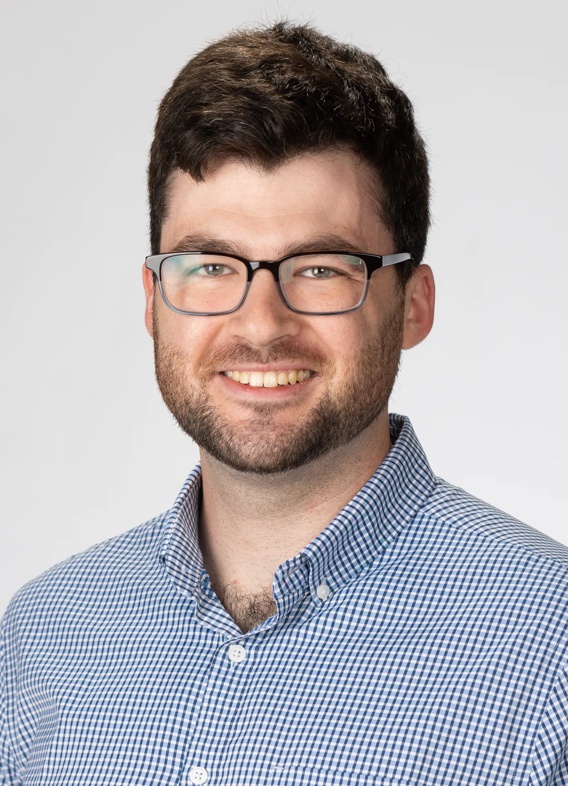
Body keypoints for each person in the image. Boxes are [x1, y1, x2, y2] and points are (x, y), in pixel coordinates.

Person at [1, 20, 567, 786]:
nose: (261, 325)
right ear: (152, 300)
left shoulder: (550, 643)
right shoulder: (43, 635)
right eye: (209, 266)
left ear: (413, 306)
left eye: (321, 268)